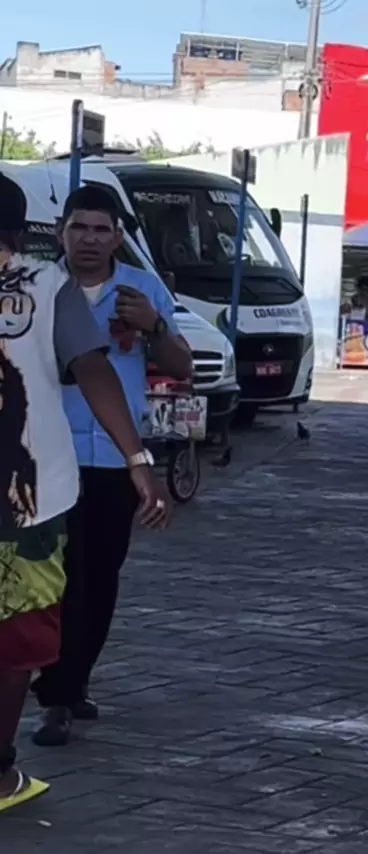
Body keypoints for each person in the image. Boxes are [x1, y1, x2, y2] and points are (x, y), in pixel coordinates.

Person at [0, 174, 167, 809]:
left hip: (57, 483)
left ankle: (62, 698)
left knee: (89, 587)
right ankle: (1, 771)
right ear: (27, 234)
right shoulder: (46, 286)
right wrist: (138, 459)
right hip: (30, 494)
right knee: (19, 633)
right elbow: (93, 368)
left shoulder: (124, 289)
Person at [32, 186, 192, 747]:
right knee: (54, 580)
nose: (90, 240)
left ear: (119, 237)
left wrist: (153, 325)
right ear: (61, 232)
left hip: (116, 461)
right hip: (47, 457)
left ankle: (72, 682)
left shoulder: (141, 290)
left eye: (102, 229)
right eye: (79, 227)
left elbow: (182, 366)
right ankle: (55, 695)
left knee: (99, 579)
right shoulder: (39, 288)